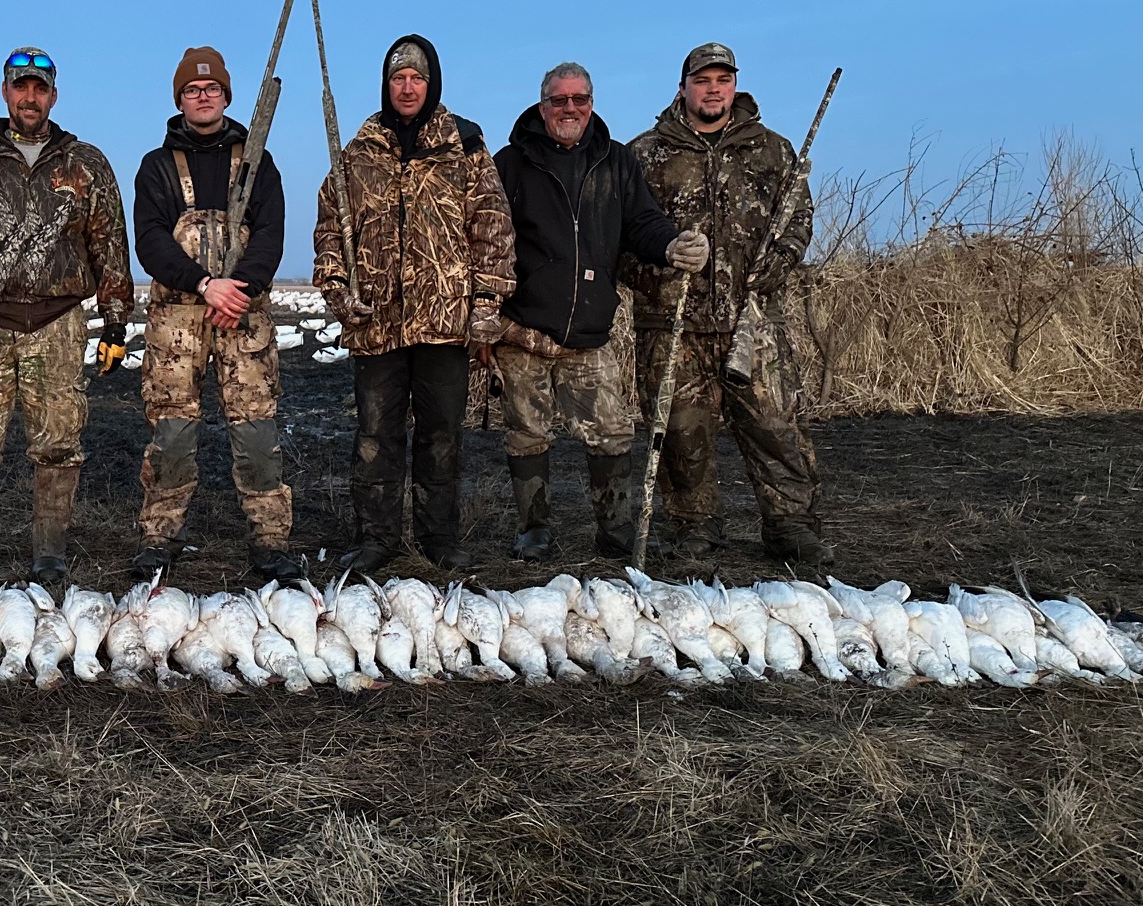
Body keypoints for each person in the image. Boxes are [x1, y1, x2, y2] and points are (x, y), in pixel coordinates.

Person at [0, 46, 134, 587]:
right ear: (5, 92)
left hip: (58, 325)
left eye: (40, 88)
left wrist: (115, 322)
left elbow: (109, 243)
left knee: (59, 444)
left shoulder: (86, 162)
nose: (30, 97)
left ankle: (49, 553)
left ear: (53, 96)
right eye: (21, 86)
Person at [489, 63, 709, 560]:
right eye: (560, 100)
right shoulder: (510, 164)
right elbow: (486, 238)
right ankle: (534, 529)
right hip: (523, 330)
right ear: (543, 105)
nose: (570, 109)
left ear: (591, 103)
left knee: (611, 431)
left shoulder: (616, 162)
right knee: (527, 432)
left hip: (592, 330)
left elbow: (643, 223)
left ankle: (614, 530)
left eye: (579, 99)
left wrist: (672, 246)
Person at [312, 34, 514, 574]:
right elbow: (331, 227)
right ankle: (377, 537)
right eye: (398, 77)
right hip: (376, 323)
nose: (407, 87)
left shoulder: (465, 146)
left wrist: (487, 301)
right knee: (376, 436)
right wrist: (338, 291)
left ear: (432, 83)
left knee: (442, 435)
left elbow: (492, 225)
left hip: (445, 323)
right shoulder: (357, 152)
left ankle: (438, 536)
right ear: (386, 83)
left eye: (417, 78)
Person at [627, 42, 829, 564]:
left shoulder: (774, 150)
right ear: (683, 87)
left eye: (723, 79)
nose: (713, 89)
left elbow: (798, 221)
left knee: (776, 427)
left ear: (734, 86)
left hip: (754, 322)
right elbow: (619, 241)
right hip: (674, 323)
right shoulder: (644, 154)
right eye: (703, 80)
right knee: (680, 436)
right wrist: (662, 272)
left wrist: (771, 272)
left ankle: (790, 526)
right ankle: (695, 530)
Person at [127, 46, 296, 580]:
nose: (203, 97)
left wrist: (238, 290)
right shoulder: (156, 168)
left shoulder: (257, 161)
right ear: (179, 99)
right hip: (177, 320)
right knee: (172, 431)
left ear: (227, 95)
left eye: (213, 89)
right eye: (192, 91)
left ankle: (271, 540)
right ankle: (159, 536)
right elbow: (151, 242)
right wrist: (205, 285)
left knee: (256, 431)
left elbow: (270, 233)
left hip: (242, 315)